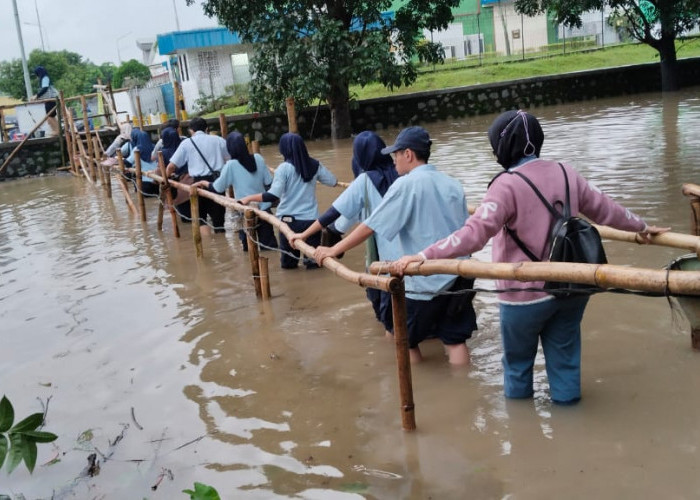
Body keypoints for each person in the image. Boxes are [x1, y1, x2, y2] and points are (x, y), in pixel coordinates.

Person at [392, 110, 670, 403]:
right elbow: (607, 210)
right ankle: (568, 423)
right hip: (571, 288)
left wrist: (423, 254)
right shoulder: (567, 172)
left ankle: (523, 433)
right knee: (565, 364)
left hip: (523, 295)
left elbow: (473, 234)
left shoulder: (506, 185)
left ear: (502, 146)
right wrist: (642, 227)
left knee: (517, 367)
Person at [313, 126, 477, 365]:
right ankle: (462, 391)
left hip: (421, 280)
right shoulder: (452, 184)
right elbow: (465, 231)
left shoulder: (405, 185)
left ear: (408, 154)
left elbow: (371, 225)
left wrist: (333, 250)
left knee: (405, 340)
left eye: (396, 154)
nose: (393, 160)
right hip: (457, 275)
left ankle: (419, 392)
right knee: (455, 341)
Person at [290, 131, 399, 334]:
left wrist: (304, 235)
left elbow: (332, 214)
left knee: (391, 323)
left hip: (387, 260)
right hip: (412, 254)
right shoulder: (401, 174)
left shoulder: (365, 180)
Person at [194, 131, 278, 252]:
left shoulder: (231, 165)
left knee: (248, 249)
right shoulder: (258, 158)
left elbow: (218, 188)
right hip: (264, 210)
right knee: (270, 248)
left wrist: (203, 183)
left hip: (245, 211)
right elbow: (269, 182)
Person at [166, 117, 229, 234]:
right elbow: (229, 159)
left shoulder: (186, 143)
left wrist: (165, 180)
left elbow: (171, 167)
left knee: (201, 219)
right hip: (217, 183)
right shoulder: (219, 140)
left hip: (197, 185)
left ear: (190, 130)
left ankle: (208, 248)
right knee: (219, 222)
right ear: (207, 129)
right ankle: (221, 242)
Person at [124, 128, 159, 195]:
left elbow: (128, 162)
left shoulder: (137, 149)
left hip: (144, 183)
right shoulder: (155, 147)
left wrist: (120, 160)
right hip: (157, 181)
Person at [33, 66, 59, 137]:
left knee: (50, 117)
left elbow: (45, 88)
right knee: (50, 117)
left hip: (51, 99)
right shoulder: (45, 78)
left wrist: (37, 96)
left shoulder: (45, 78)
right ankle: (56, 130)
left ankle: (57, 131)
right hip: (49, 99)